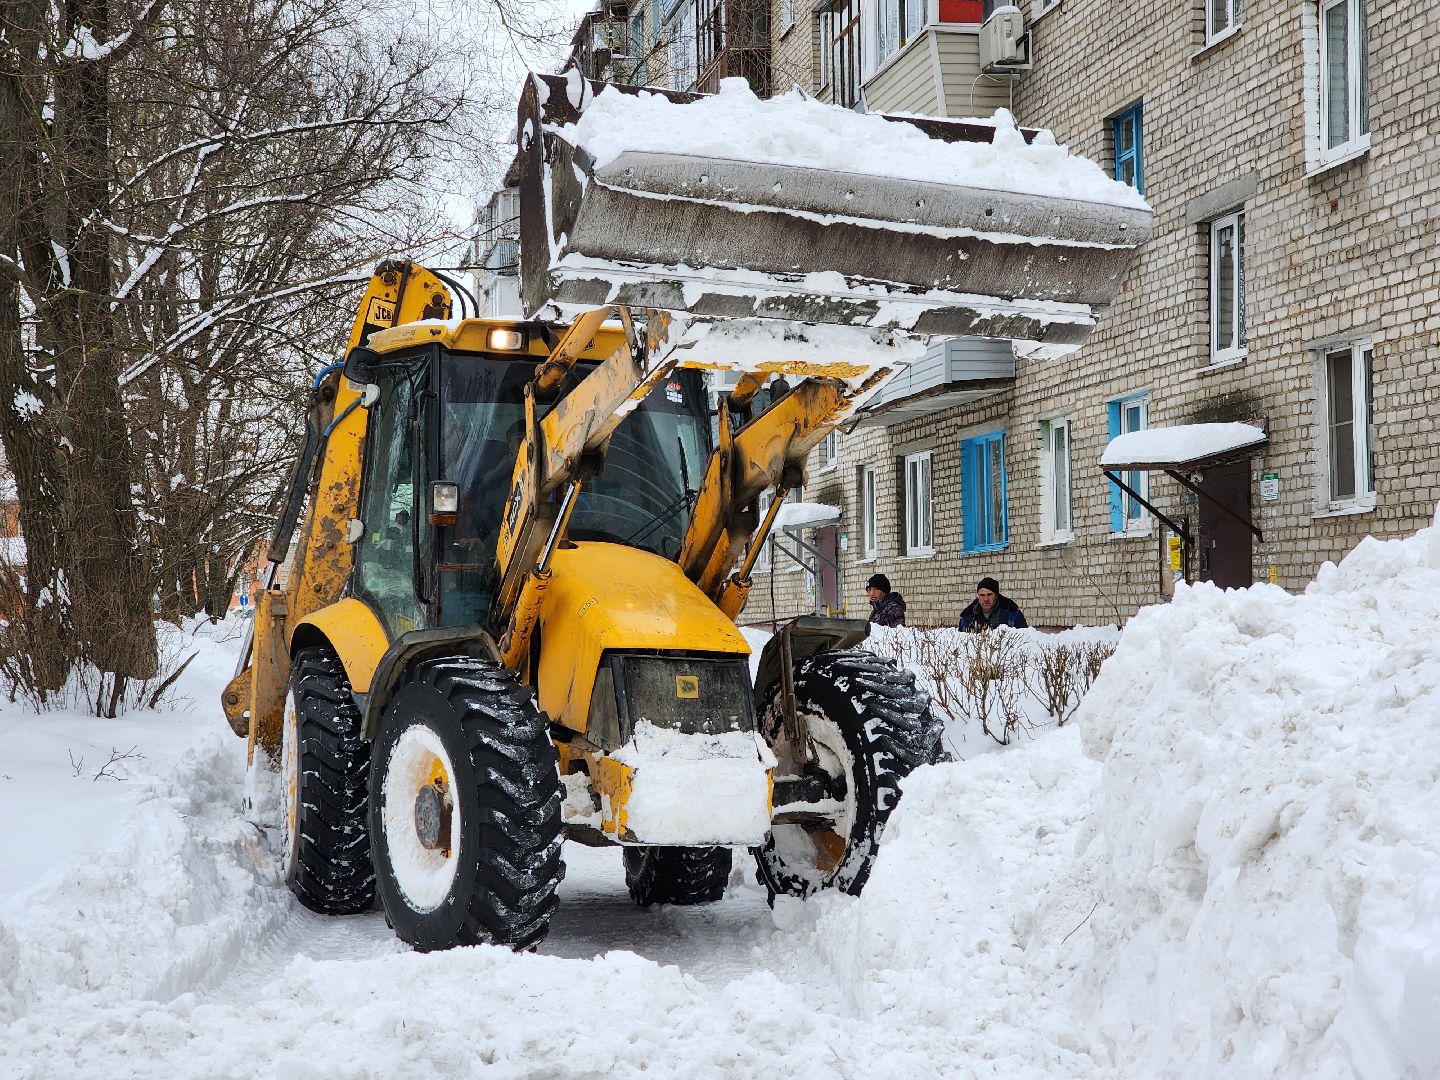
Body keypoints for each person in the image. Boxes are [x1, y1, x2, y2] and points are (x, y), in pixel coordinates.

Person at [957, 576, 1028, 632]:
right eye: (982, 595)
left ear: (996, 596)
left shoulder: (1012, 613)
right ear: (978, 596)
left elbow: (1024, 638)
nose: (986, 599)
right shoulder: (967, 616)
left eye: (990, 594)